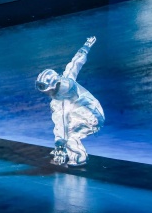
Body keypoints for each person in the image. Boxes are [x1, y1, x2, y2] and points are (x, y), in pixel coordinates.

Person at [36, 36, 104, 166]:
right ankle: (67, 149)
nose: (46, 93)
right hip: (88, 110)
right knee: (64, 131)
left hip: (92, 116)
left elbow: (62, 121)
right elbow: (75, 64)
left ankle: (79, 157)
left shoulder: (61, 100)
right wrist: (85, 47)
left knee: (69, 135)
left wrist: (60, 143)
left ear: (53, 86)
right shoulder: (66, 79)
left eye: (47, 90)